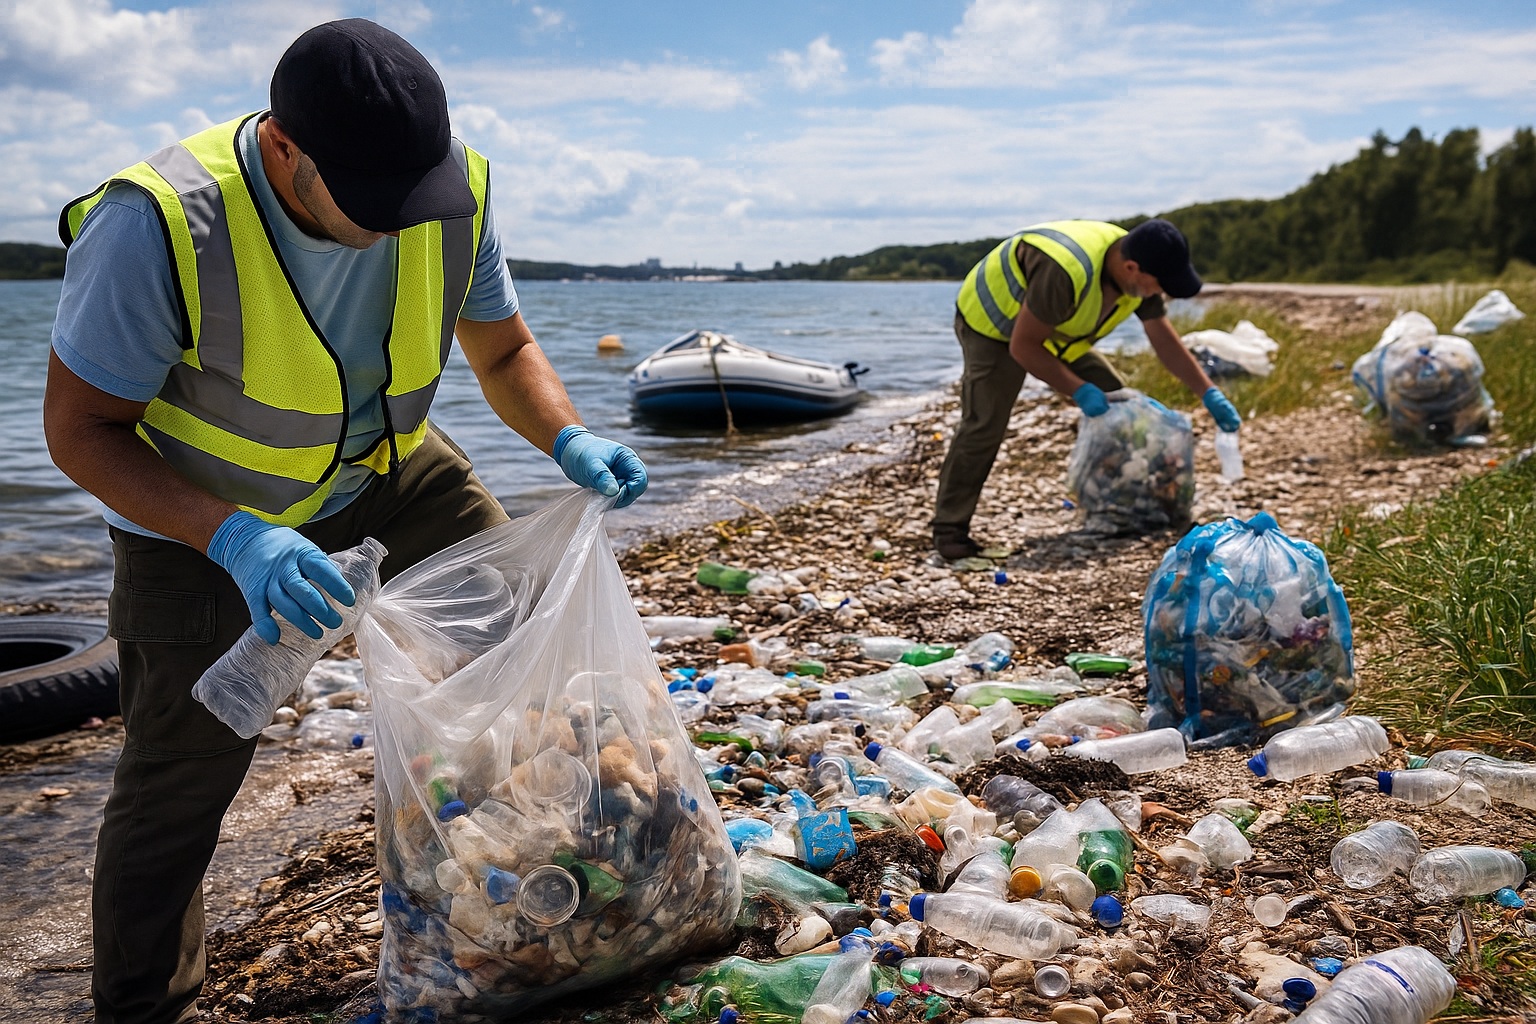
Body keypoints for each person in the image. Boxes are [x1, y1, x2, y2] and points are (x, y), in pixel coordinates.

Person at [42, 20, 647, 1024]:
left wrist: (568, 436)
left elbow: (503, 351)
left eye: (415, 197)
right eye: (373, 202)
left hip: (389, 471)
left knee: (530, 639)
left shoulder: (447, 187)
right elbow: (79, 432)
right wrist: (236, 538)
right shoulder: (157, 225)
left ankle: (565, 898)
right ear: (284, 147)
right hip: (200, 522)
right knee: (180, 779)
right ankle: (142, 1007)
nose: (402, 224)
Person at [930, 218, 1240, 559]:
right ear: (1132, 268)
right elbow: (1025, 347)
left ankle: (1127, 508)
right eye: (1159, 286)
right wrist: (1079, 390)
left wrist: (1208, 392)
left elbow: (1164, 341)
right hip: (994, 327)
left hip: (1056, 331)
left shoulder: (1140, 264)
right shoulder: (1065, 271)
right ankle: (949, 530)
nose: (1160, 293)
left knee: (1124, 411)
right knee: (985, 424)